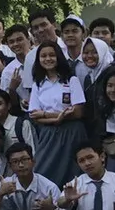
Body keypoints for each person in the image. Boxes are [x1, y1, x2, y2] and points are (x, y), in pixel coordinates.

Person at [27, 42, 86, 186]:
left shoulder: (71, 80)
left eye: (52, 55)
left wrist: (46, 114)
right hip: (49, 134)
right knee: (44, 171)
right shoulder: (38, 84)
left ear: (58, 57)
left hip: (73, 132)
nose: (48, 59)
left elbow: (78, 112)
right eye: (43, 56)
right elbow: (34, 116)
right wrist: (57, 118)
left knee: (74, 173)